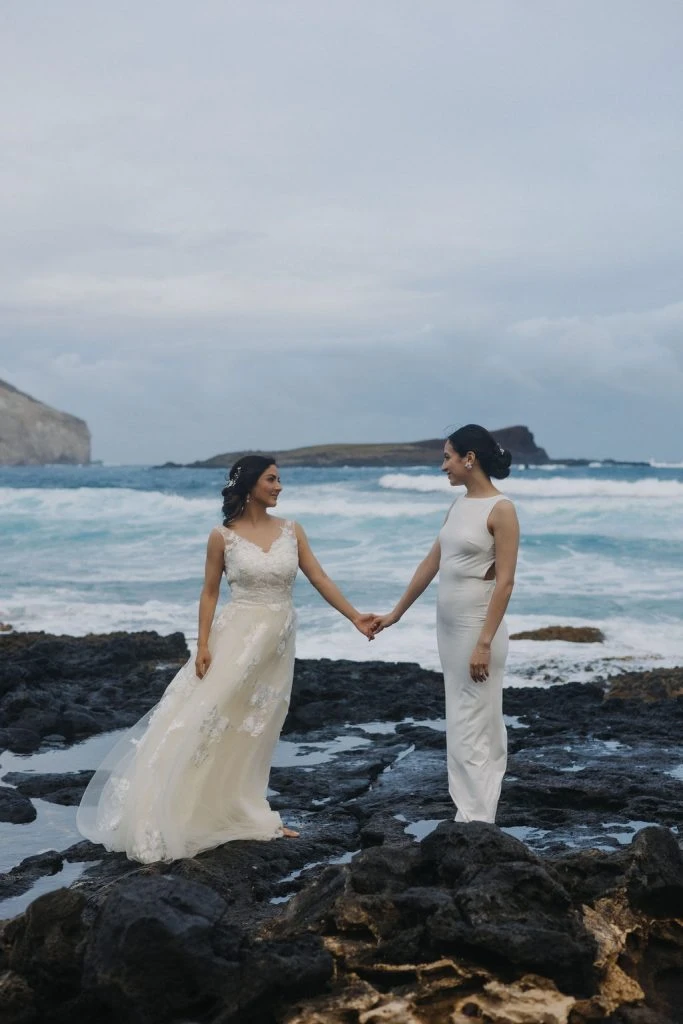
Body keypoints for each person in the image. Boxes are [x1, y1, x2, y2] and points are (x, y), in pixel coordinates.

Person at [77, 455, 376, 863]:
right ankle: (178, 812)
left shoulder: (292, 531)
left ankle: (244, 810)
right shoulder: (223, 536)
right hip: (235, 638)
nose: (279, 486)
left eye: (279, 479)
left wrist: (355, 616)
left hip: (277, 645)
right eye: (272, 479)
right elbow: (210, 593)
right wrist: (202, 645)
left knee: (257, 730)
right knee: (210, 719)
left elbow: (319, 577)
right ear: (251, 484)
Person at [372, 424, 519, 823]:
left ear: (469, 458)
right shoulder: (458, 506)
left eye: (448, 457)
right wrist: (395, 614)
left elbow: (505, 581)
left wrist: (485, 643)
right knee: (460, 719)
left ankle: (477, 818)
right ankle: (469, 811)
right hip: (449, 631)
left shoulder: (501, 509)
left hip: (478, 630)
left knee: (477, 721)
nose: (443, 467)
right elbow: (431, 563)